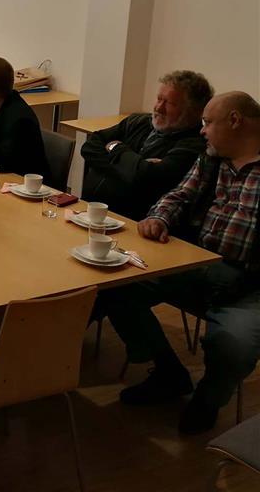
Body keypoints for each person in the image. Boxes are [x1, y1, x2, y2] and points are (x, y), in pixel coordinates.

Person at [101, 92, 260, 434]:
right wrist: (159, 217)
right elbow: (180, 195)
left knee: (234, 345)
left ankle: (208, 399)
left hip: (250, 286)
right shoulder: (213, 158)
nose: (202, 131)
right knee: (116, 285)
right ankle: (169, 372)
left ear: (235, 121)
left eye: (208, 122)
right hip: (198, 265)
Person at [81, 71, 213, 220]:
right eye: (159, 99)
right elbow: (89, 146)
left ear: (194, 111)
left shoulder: (195, 145)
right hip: (87, 211)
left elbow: (148, 177)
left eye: (169, 103)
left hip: (130, 223)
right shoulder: (139, 122)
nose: (159, 107)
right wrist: (131, 170)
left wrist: (115, 148)